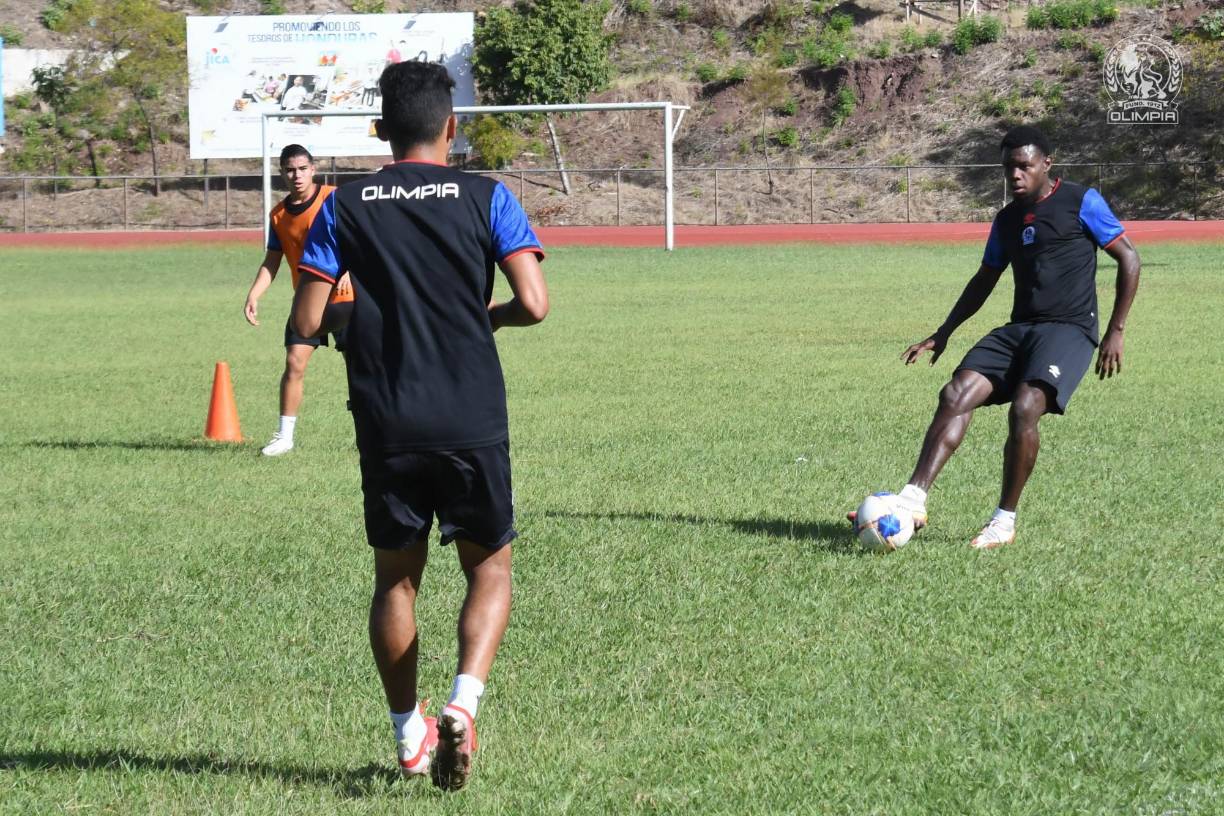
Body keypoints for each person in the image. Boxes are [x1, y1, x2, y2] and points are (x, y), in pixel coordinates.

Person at [291, 60, 548, 789]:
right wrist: (482, 318)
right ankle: (464, 702)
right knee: (488, 567)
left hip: (387, 415)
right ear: (451, 127)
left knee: (396, 582)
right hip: (470, 412)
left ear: (381, 128)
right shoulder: (487, 195)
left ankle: (410, 733)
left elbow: (309, 318)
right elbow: (534, 303)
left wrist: (359, 318)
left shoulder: (343, 204)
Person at [854, 125, 1140, 549]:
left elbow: (1129, 258)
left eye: (1024, 166)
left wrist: (1116, 331)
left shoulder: (1082, 201)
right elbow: (986, 277)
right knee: (956, 393)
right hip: (1020, 327)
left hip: (1070, 329)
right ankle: (912, 499)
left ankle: (1003, 522)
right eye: (1009, 168)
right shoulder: (1006, 220)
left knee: (1025, 407)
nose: (1016, 176)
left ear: (1047, 164)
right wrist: (944, 331)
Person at [243, 144, 351, 457]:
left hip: (346, 296)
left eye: (302, 168)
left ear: (313, 169)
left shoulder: (334, 199)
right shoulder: (278, 215)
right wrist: (254, 293)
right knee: (294, 362)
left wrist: (351, 271)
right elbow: (272, 260)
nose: (297, 175)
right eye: (290, 170)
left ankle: (371, 428)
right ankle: (284, 437)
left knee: (359, 364)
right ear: (282, 173)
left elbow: (361, 240)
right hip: (307, 301)